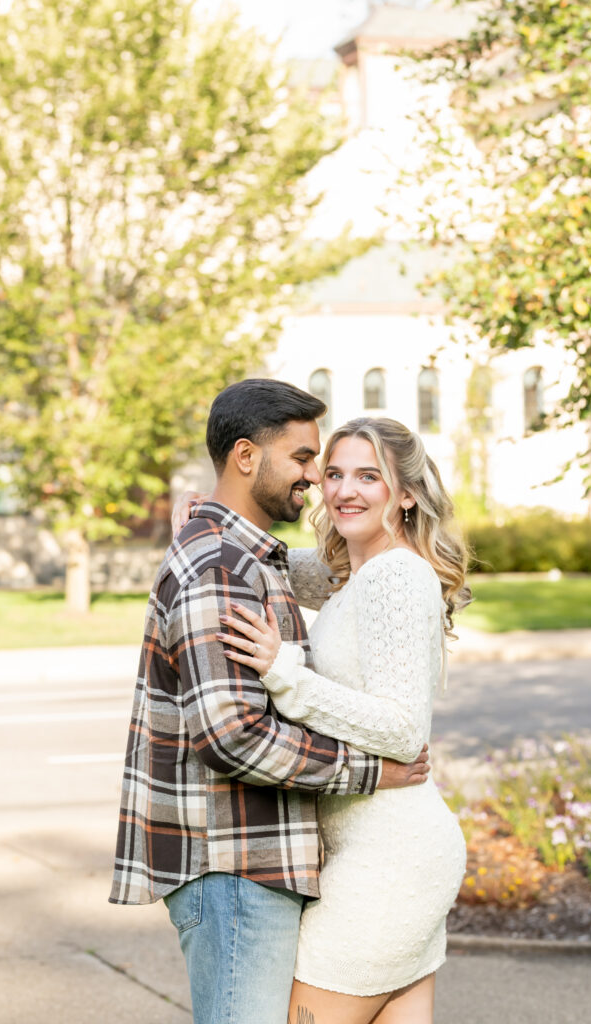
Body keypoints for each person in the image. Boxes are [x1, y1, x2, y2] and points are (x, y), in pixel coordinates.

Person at [109, 381, 430, 1024]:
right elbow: (232, 737)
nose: (317, 480)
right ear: (248, 457)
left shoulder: (252, 557)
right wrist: (374, 772)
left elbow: (359, 568)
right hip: (234, 868)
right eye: (308, 459)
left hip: (255, 864)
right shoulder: (220, 567)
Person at [216, 416, 469, 1024]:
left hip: (387, 861)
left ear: (406, 492)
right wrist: (205, 516)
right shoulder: (356, 571)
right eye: (333, 473)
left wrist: (286, 672)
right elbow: (279, 564)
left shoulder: (394, 575)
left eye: (368, 475)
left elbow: (403, 730)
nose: (344, 490)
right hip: (395, 852)